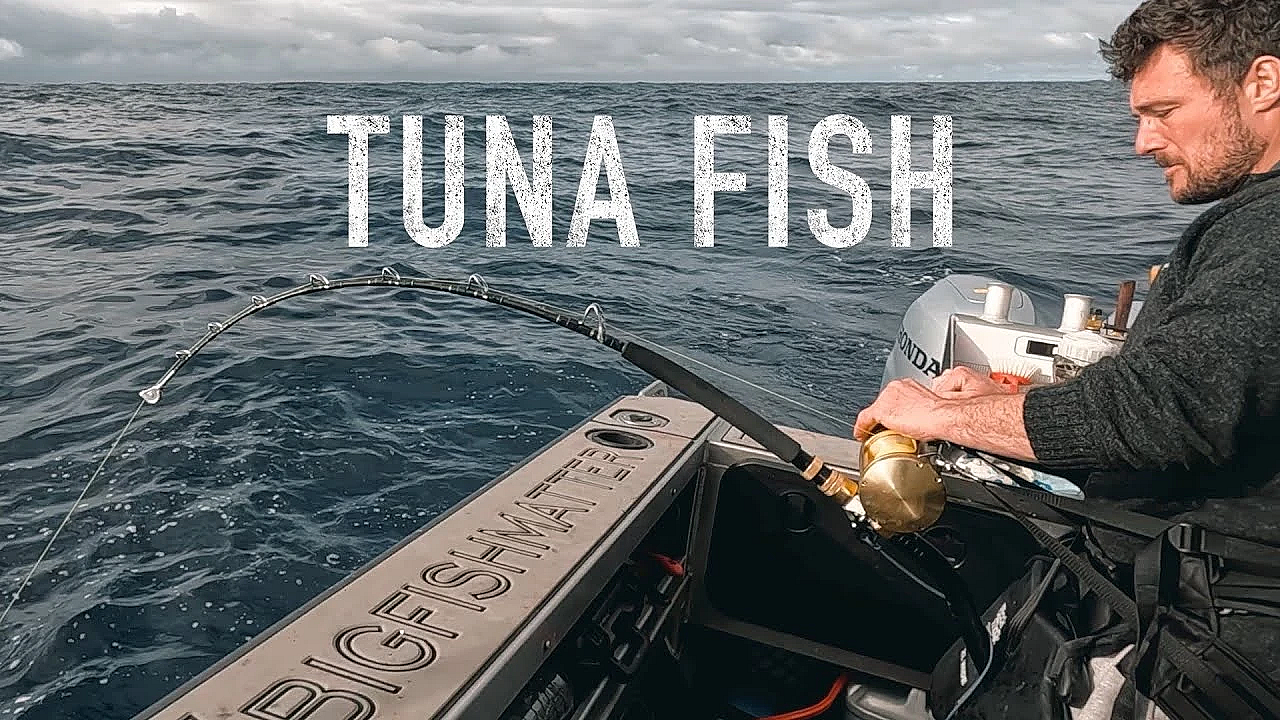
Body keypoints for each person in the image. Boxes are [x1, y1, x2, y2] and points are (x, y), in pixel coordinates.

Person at [854, 1, 1280, 717]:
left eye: (1165, 109)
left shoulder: (1267, 234)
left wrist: (930, 410)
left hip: (1213, 643)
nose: (1143, 143)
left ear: (1263, 82)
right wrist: (990, 403)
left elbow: (1165, 410)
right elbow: (1216, 400)